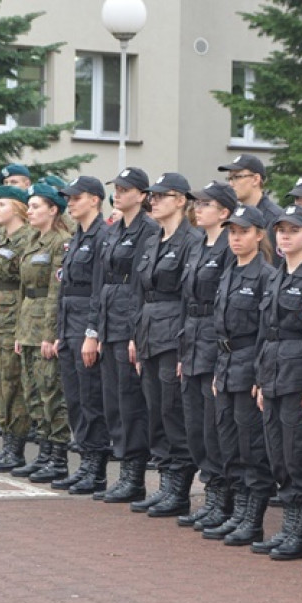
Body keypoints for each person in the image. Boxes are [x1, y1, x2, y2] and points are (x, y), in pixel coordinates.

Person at [253, 205, 302, 560]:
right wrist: (258, 376)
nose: (284, 235)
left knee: (298, 455)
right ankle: (288, 526)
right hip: (272, 373)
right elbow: (263, 332)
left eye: (293, 230)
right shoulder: (275, 275)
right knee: (278, 455)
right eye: (280, 229)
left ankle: (300, 533)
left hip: (297, 374)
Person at [203, 204, 276, 545]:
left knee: (251, 447)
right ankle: (237, 511)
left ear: (260, 235)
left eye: (243, 232)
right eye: (232, 232)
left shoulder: (266, 275)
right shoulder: (230, 269)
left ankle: (253, 519)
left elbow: (266, 332)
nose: (236, 238)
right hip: (226, 362)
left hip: (249, 364)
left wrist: (260, 377)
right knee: (228, 444)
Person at [131, 172, 202, 517]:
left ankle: (180, 489)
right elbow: (140, 293)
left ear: (181, 200)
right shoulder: (152, 240)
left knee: (174, 412)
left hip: (174, 333)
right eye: (152, 196)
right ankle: (165, 484)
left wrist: (185, 344)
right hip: (149, 332)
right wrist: (135, 336)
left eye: (162, 196)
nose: (153, 201)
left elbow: (192, 297)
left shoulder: (193, 241)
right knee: (155, 411)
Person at [92, 167, 158, 501]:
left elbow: (140, 286)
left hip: (128, 322)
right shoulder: (115, 229)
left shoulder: (149, 230)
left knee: (131, 402)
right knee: (113, 401)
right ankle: (124, 470)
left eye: (125, 188)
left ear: (142, 195)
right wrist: (96, 328)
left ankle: (134, 476)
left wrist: (134, 332)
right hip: (109, 321)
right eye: (116, 188)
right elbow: (101, 281)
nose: (117, 193)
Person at [46, 176, 112, 489]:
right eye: (68, 198)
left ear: (95, 200)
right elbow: (64, 288)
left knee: (90, 398)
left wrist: (92, 332)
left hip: (85, 323)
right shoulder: (77, 236)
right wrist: (60, 331)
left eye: (76, 197)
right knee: (73, 398)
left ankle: (95, 467)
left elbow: (99, 290)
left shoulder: (103, 236)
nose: (70, 203)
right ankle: (85, 460)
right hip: (69, 324)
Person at [178, 181, 237, 529]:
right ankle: (211, 491)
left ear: (224, 212)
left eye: (206, 204)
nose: (198, 209)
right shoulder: (198, 245)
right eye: (197, 203)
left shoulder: (230, 247)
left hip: (215, 342)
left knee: (217, 426)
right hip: (193, 339)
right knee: (195, 424)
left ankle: (222, 498)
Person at [10, 183, 71, 477]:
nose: (30, 211)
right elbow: (25, 290)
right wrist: (21, 334)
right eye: (29, 206)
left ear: (53, 210)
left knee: (51, 394)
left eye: (36, 206)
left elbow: (54, 293)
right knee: (33, 393)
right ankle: (44, 452)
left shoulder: (60, 242)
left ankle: (58, 458)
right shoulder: (34, 240)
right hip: (28, 325)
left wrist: (50, 334)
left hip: (44, 327)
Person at [0, 184, 37, 472]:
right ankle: (5, 446)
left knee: (14, 385)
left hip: (13, 319)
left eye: (2, 204)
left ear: (18, 208)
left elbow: (28, 286)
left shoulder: (26, 240)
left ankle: (16, 448)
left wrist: (23, 328)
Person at [217, 154, 283, 229]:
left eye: (237, 177)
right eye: (229, 179)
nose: (231, 184)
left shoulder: (275, 218)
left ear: (255, 179)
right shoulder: (232, 215)